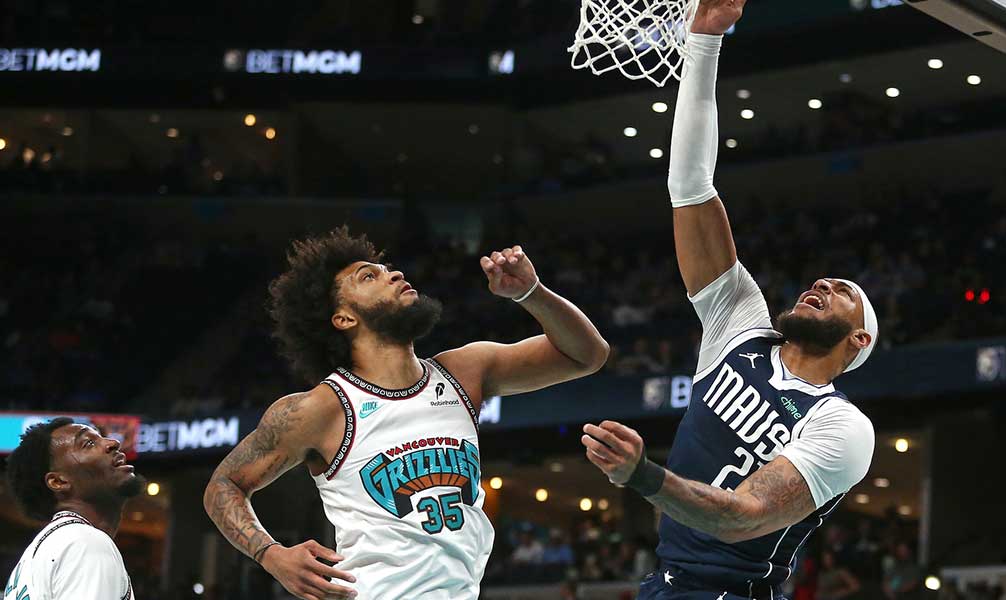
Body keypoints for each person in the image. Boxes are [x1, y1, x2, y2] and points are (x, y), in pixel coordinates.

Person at [579, 2, 876, 599]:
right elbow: (690, 186)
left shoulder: (842, 426)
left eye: (841, 292)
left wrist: (641, 475)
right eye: (820, 281)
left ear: (859, 339)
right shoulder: (739, 326)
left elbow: (742, 516)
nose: (820, 284)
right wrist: (705, 41)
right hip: (662, 583)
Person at [204, 227, 609, 600]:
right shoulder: (321, 408)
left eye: (388, 268)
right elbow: (223, 485)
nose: (393, 274)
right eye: (369, 276)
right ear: (343, 318)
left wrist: (531, 293)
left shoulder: (463, 371)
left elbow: (587, 355)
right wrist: (271, 555)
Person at [4, 417, 145, 600]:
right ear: (59, 481)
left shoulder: (41, 553)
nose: (113, 442)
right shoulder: (85, 543)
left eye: (101, 437)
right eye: (88, 443)